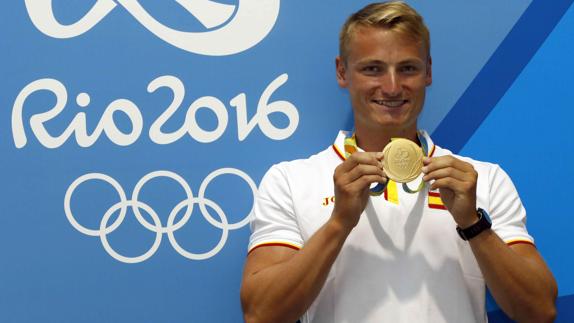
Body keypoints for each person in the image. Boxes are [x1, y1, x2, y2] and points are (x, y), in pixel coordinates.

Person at [240, 2, 557, 322]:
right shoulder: (291, 180)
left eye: (407, 68)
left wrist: (473, 224)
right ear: (342, 72)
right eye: (372, 69)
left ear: (428, 71)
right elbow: (261, 314)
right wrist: (339, 223)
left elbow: (540, 311)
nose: (392, 87)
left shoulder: (482, 180)